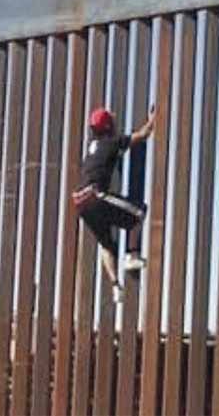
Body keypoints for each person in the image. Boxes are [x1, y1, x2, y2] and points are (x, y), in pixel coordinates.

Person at [72, 106, 156, 303]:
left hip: (80, 203)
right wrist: (153, 119)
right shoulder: (112, 142)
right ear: (109, 126)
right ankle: (132, 254)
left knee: (106, 243)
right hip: (95, 196)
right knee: (139, 212)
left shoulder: (93, 146)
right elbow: (142, 135)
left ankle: (115, 285)